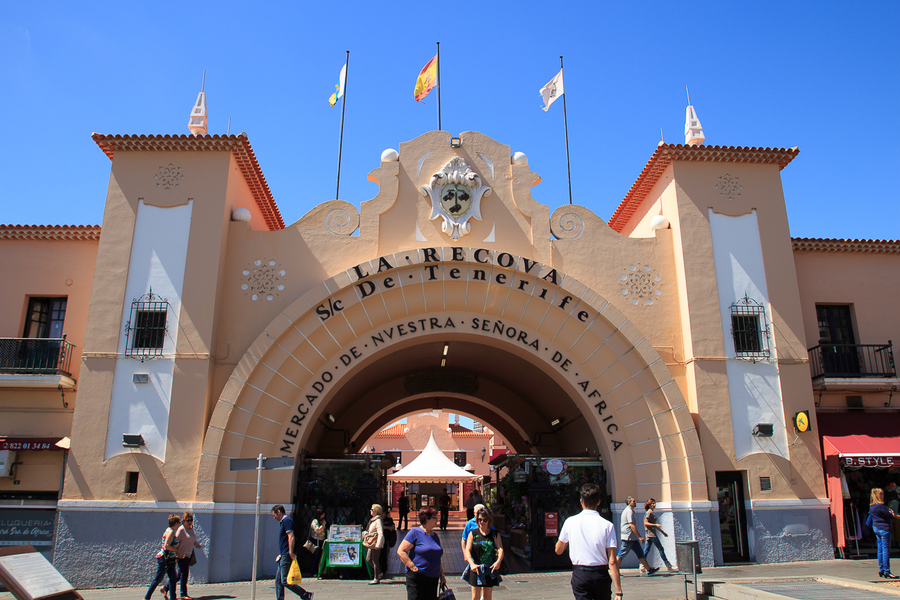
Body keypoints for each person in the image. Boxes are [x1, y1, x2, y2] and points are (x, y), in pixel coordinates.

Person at [555, 483, 622, 600]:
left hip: (580, 574)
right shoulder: (608, 525)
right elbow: (612, 561)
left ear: (581, 501)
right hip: (600, 574)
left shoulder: (570, 522)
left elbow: (558, 550)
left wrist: (566, 541)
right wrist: (619, 591)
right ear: (599, 502)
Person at [397, 506, 446, 600]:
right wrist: (411, 565)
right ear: (427, 519)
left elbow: (437, 558)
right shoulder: (414, 533)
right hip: (418, 576)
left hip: (433, 577)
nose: (437, 520)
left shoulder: (435, 535)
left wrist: (442, 575)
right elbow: (401, 551)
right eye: (435, 517)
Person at [271, 505, 314, 600]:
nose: (274, 518)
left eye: (274, 515)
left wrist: (290, 552)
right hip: (284, 554)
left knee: (285, 581)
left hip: (286, 554)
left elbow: (291, 536)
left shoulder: (287, 521)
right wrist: (281, 554)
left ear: (278, 512)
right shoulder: (284, 522)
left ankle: (305, 594)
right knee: (278, 581)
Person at [464, 508, 504, 600]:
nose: (482, 522)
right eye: (480, 519)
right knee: (475, 597)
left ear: (489, 520)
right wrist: (471, 564)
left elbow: (500, 548)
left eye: (484, 520)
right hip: (476, 568)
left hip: (489, 568)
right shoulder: (473, 533)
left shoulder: (494, 534)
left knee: (487, 597)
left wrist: (498, 562)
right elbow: (467, 550)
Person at [163, 512, 202, 600]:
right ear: (183, 521)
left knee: (179, 575)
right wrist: (177, 553)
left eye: (191, 520)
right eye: (188, 520)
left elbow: (189, 539)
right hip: (182, 555)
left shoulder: (191, 529)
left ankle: (165, 588)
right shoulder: (181, 529)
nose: (190, 522)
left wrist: (195, 544)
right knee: (184, 575)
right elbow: (175, 541)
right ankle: (183, 594)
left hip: (188, 555)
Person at [615, 496, 657, 575]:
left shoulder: (631, 511)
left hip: (632, 538)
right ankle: (614, 570)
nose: (635, 502)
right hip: (628, 538)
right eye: (634, 501)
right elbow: (632, 525)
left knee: (640, 553)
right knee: (621, 554)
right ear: (629, 503)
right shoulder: (628, 511)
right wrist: (640, 536)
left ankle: (649, 570)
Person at [144, 514, 179, 600]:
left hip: (170, 559)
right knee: (158, 579)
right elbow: (166, 546)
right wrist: (177, 551)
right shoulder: (170, 532)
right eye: (178, 523)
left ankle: (173, 598)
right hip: (165, 559)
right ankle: (147, 597)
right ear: (175, 523)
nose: (179, 525)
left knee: (173, 578)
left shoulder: (168, 530)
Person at [870, 488, 900, 578]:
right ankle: (887, 570)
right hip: (884, 529)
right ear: (879, 495)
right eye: (882, 493)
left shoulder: (872, 506)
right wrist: (892, 514)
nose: (884, 495)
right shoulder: (881, 506)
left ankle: (881, 569)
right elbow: (889, 515)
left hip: (876, 528)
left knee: (880, 549)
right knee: (886, 550)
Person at [641, 499, 674, 572]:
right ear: (649, 505)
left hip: (651, 534)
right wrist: (655, 524)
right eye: (653, 503)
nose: (654, 505)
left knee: (646, 550)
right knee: (660, 548)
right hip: (651, 535)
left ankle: (642, 565)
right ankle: (668, 565)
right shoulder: (649, 513)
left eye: (655, 503)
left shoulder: (651, 512)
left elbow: (655, 526)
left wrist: (663, 532)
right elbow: (645, 523)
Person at [364, 504, 385, 584]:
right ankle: (379, 573)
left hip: (375, 542)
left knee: (374, 560)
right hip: (371, 542)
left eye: (372, 510)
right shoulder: (373, 520)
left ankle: (376, 578)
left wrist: (378, 544)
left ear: (376, 511)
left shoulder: (378, 520)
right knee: (368, 559)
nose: (370, 511)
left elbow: (380, 533)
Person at [307, 509, 326, 577]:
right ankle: (313, 572)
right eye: (322, 515)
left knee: (319, 556)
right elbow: (317, 531)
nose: (323, 516)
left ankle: (318, 571)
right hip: (315, 541)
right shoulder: (315, 522)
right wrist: (323, 525)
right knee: (314, 556)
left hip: (321, 541)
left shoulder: (321, 521)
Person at [380, 509, 397, 576]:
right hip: (379, 540)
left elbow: (393, 527)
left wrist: (385, 527)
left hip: (386, 539)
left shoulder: (388, 520)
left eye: (383, 513)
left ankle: (384, 569)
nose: (382, 515)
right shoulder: (378, 520)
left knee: (384, 554)